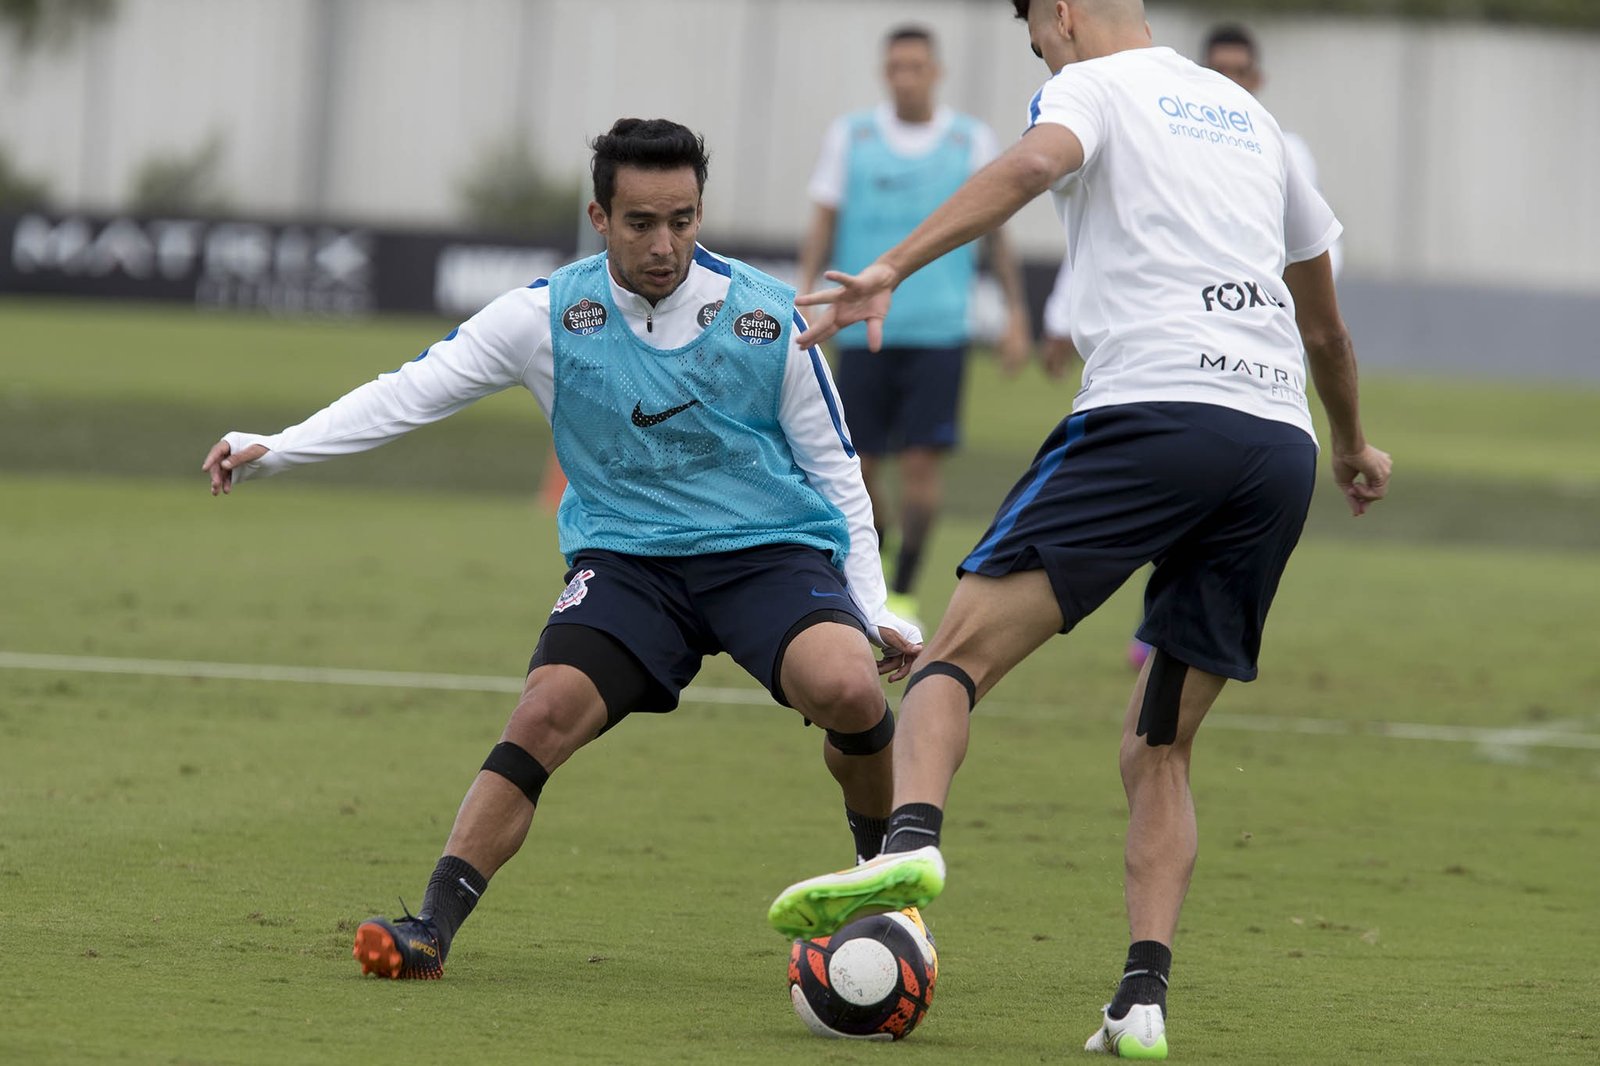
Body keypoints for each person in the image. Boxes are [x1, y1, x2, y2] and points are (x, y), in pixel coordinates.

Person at [766, 2, 1390, 1059]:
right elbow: (1322, 322)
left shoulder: (1088, 87)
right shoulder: (1248, 116)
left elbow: (1025, 169)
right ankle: (1140, 999)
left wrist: (892, 265)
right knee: (1160, 744)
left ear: (1057, 15)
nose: (1039, 53)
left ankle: (908, 845)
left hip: (1151, 414)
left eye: (1033, 36)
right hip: (1274, 445)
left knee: (946, 665)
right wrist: (1351, 446)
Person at [202, 118, 923, 980]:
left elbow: (837, 470)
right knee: (543, 712)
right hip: (626, 563)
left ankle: (884, 886)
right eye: (641, 223)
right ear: (598, 215)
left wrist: (872, 604)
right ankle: (429, 926)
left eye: (684, 221)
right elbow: (409, 393)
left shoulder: (770, 316)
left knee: (846, 686)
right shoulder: (542, 316)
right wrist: (276, 447)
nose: (665, 244)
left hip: (766, 551)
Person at [797, 23, 1035, 627]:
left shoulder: (968, 140)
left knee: (923, 466)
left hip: (938, 332)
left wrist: (1015, 315)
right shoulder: (852, 136)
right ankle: (871, 575)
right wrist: (802, 300)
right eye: (895, 67)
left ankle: (901, 592)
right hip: (859, 330)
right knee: (860, 467)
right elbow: (822, 224)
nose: (905, 77)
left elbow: (997, 234)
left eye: (916, 67)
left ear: (936, 72)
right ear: (886, 72)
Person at [1203, 23, 1344, 278]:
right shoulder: (1181, 145)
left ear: (1257, 78)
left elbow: (1320, 241)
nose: (1230, 82)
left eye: (1239, 72)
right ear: (1199, 74)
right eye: (1219, 71)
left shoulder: (1286, 149)